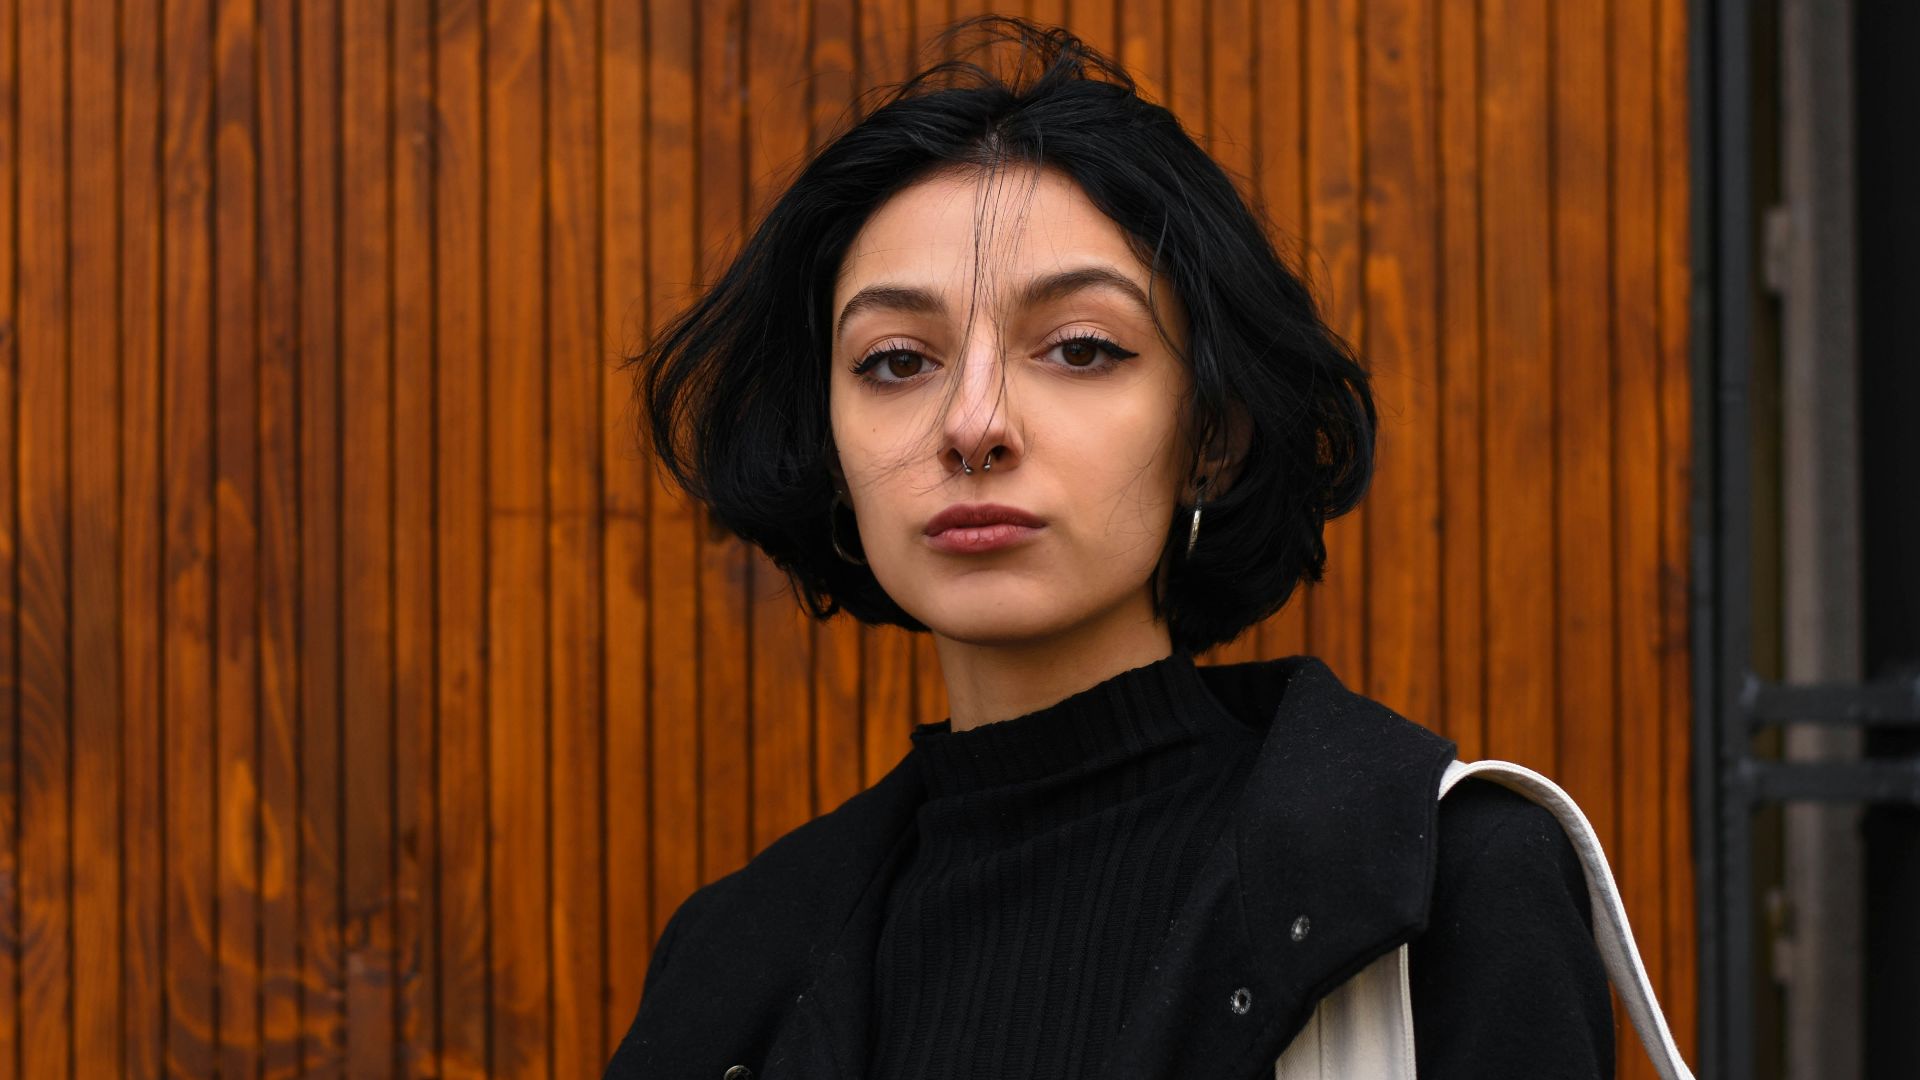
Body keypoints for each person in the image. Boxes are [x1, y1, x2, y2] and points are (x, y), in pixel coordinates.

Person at [604, 15, 1613, 1079]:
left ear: (1210, 441)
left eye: (1082, 348)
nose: (973, 423)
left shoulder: (1447, 877)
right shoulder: (731, 958)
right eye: (897, 361)